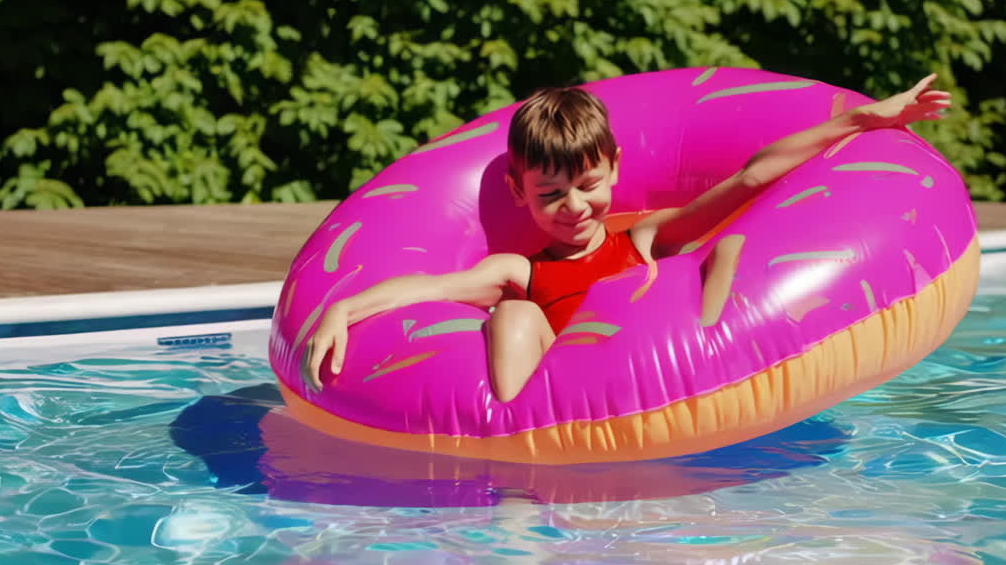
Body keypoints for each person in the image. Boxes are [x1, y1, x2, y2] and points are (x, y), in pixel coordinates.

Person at [304, 74, 949, 402]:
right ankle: (517, 495)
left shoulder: (642, 241)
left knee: (725, 250)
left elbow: (752, 175)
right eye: (549, 194)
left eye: (587, 184)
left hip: (659, 384)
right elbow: (425, 286)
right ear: (518, 192)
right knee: (515, 317)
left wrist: (864, 118)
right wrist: (341, 308)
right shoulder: (519, 273)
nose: (573, 208)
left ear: (612, 165)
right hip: (558, 415)